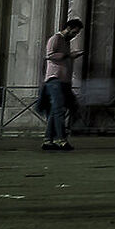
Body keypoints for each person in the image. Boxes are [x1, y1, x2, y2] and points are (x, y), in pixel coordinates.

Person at [41, 18, 83, 151]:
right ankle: (61, 140)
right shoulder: (56, 39)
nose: (75, 35)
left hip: (63, 81)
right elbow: (50, 55)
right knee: (59, 110)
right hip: (55, 80)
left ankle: (48, 140)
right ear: (69, 28)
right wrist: (69, 55)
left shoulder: (65, 41)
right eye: (75, 32)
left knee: (56, 111)